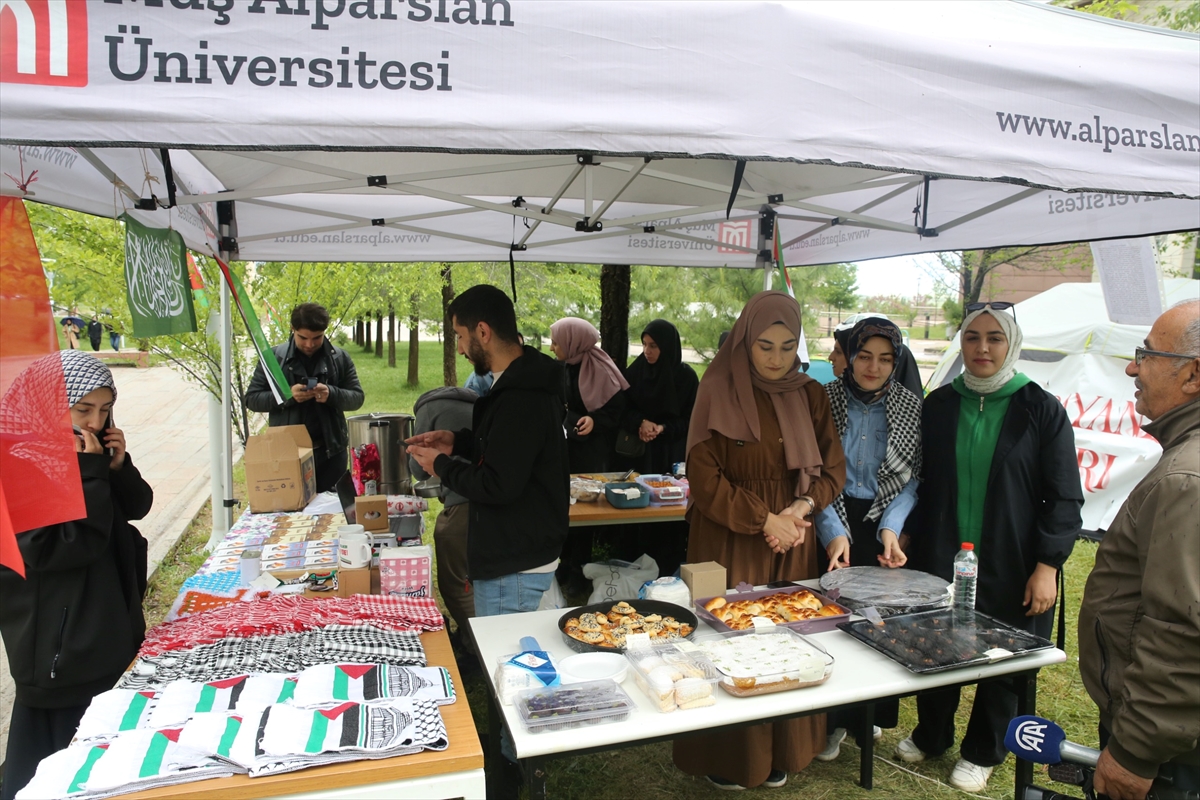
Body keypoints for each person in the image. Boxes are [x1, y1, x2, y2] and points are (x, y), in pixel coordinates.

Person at [897, 303, 1082, 792]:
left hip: (1012, 558)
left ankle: (984, 750)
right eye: (973, 337)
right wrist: (906, 533)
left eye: (994, 339)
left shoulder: (1039, 408)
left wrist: (1047, 566)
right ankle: (932, 734)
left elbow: (1063, 495)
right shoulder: (939, 404)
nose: (981, 348)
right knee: (937, 646)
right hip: (942, 553)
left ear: (1011, 344)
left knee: (1002, 653)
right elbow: (923, 481)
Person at [673, 291, 847, 790]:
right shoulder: (717, 388)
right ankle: (731, 756)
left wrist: (800, 508)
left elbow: (833, 469)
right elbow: (704, 479)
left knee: (790, 641)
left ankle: (784, 752)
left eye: (787, 347)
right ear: (746, 340)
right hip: (730, 539)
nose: (776, 358)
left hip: (792, 538)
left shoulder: (810, 393)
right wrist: (764, 519)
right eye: (765, 346)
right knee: (732, 640)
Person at [0, 351, 153, 800]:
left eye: (104, 410)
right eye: (82, 409)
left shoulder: (82, 451)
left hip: (101, 631)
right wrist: (90, 472)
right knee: (50, 768)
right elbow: (64, 548)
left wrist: (116, 467)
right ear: (49, 406)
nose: (94, 421)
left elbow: (136, 508)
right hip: (59, 652)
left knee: (102, 762)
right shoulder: (20, 462)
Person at [1078, 299, 1200, 800]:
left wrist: (1135, 751)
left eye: (1146, 354)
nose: (1132, 367)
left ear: (1192, 375)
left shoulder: (1187, 479)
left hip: (1169, 753)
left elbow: (1181, 630)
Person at [406, 284, 569, 617]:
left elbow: (497, 483)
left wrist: (441, 465)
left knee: (507, 664)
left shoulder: (522, 397)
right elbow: (508, 449)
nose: (461, 348)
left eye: (460, 336)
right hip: (516, 554)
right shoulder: (514, 383)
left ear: (482, 331)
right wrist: (457, 441)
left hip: (514, 565)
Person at [812, 317, 921, 762]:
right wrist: (834, 532)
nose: (874, 367)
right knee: (832, 623)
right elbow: (813, 473)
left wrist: (891, 530)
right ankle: (831, 721)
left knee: (878, 623)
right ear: (850, 355)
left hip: (884, 520)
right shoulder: (823, 400)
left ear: (896, 361)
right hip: (831, 513)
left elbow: (912, 478)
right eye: (864, 355)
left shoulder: (910, 406)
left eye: (885, 358)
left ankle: (868, 716)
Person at [244, 303, 364, 492]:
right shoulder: (273, 359)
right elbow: (252, 399)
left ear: (325, 331)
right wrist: (287, 396)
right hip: (286, 454)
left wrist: (331, 394)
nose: (310, 344)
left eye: (317, 338)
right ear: (293, 330)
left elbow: (357, 398)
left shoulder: (340, 358)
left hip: (331, 453)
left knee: (334, 515)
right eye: (303, 338)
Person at [549, 316, 629, 595]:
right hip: (565, 447)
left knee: (584, 510)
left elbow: (617, 411)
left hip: (591, 451)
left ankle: (580, 571)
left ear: (573, 342)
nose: (551, 348)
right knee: (564, 506)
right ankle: (563, 563)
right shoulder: (560, 367)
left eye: (556, 342)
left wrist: (594, 420)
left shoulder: (601, 368)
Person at [614, 319, 699, 577]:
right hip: (640, 456)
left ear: (668, 347)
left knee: (667, 517)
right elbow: (621, 408)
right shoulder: (635, 372)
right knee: (637, 512)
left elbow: (691, 419)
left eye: (653, 346)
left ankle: (665, 572)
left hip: (670, 459)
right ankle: (631, 569)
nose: (647, 351)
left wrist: (661, 428)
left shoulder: (685, 378)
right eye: (644, 345)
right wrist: (641, 423)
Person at [408, 385, 479, 655]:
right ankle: (470, 636)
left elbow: (418, 468)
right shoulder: (477, 403)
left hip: (463, 502)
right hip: (490, 502)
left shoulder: (428, 409)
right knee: (475, 578)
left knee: (455, 584)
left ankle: (475, 647)